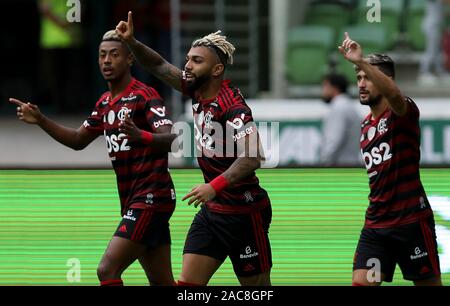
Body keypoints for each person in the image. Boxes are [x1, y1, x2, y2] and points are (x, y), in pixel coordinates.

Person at [10, 30, 178, 286]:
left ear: (130, 59)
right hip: (133, 198)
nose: (107, 61)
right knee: (162, 282)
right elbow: (78, 140)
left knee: (107, 270)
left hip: (152, 197)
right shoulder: (104, 103)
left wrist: (139, 135)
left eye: (114, 55)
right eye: (102, 55)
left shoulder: (145, 95)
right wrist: (41, 120)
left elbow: (169, 138)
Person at [115, 11, 272, 286]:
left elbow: (254, 155)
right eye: (188, 58)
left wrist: (215, 185)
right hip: (213, 212)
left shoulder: (232, 106)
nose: (187, 65)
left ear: (217, 69)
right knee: (187, 285)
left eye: (196, 61)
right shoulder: (196, 89)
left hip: (244, 212)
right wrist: (132, 42)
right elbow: (160, 66)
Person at [339, 32, 442, 286]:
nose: (361, 83)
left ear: (386, 80)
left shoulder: (402, 112)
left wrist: (361, 61)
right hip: (376, 225)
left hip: (411, 223)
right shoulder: (365, 125)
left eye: (367, 78)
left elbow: (394, 96)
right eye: (358, 77)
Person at [320, 73, 362, 166]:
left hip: (339, 168)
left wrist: (324, 163)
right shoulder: (349, 106)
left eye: (325, 86)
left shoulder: (338, 108)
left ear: (334, 88)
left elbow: (333, 141)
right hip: (351, 164)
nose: (322, 90)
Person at [418, 0, 450, 86]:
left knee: (438, 52)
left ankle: (440, 72)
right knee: (431, 51)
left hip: (437, 26)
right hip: (431, 27)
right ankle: (423, 72)